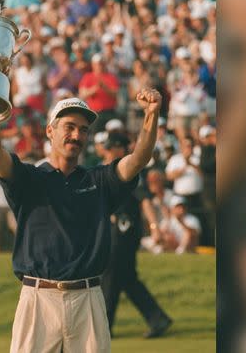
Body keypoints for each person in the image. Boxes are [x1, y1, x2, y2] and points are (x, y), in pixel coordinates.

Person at [0, 78, 161, 352]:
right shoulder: (28, 178)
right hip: (38, 299)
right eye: (69, 127)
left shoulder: (99, 181)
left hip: (88, 298)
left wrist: (151, 115)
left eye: (83, 130)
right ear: (50, 131)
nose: (77, 135)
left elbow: (139, 158)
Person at [100, 133, 173, 339]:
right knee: (127, 278)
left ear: (121, 148)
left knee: (112, 276)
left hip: (125, 232)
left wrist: (154, 227)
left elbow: (145, 201)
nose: (106, 151)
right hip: (116, 230)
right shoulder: (110, 170)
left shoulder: (131, 169)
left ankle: (104, 327)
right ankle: (157, 318)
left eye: (111, 147)